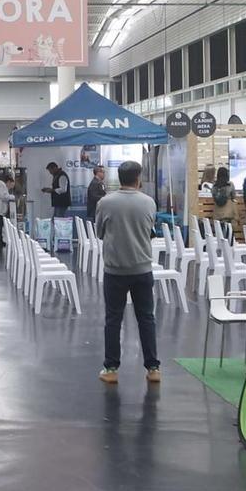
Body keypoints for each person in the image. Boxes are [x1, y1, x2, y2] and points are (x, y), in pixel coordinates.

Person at [94, 160, 161, 385]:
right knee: (146, 318)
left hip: (114, 270)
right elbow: (150, 229)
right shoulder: (149, 202)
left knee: (113, 319)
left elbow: (100, 232)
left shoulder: (105, 202)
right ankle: (153, 369)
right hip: (142, 269)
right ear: (138, 178)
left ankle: (111, 369)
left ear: (119, 178)